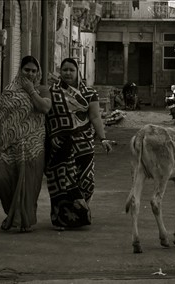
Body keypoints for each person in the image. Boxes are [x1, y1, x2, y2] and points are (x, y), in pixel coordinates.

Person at [0, 55, 51, 233]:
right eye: (26, 70)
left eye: (33, 70)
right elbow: (0, 121)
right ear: (20, 70)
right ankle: (12, 214)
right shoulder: (8, 90)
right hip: (8, 146)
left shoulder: (42, 90)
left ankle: (22, 220)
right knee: (2, 179)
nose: (30, 73)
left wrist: (31, 91)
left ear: (38, 73)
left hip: (32, 146)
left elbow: (44, 108)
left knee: (27, 185)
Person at [45, 58, 113, 231]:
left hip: (84, 145)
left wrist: (103, 138)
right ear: (60, 72)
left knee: (86, 182)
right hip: (60, 145)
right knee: (61, 182)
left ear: (78, 73)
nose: (68, 73)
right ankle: (61, 219)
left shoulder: (89, 93)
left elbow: (95, 117)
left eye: (71, 70)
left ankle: (80, 214)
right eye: (65, 70)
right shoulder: (51, 92)